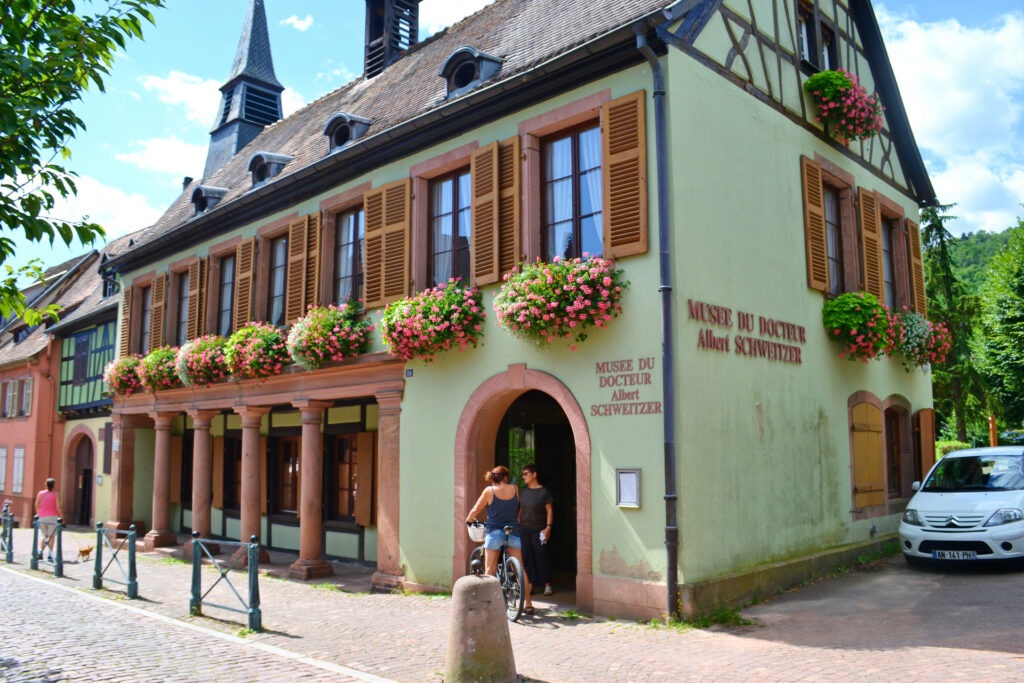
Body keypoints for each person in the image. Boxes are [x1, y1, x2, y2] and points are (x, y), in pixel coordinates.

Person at [466, 465, 534, 614]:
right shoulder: (515, 488)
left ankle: (490, 606)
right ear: (505, 477)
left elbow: (477, 509)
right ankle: (528, 604)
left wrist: (469, 519)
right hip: (513, 531)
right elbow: (519, 507)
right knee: (520, 569)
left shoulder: (489, 491)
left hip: (494, 532)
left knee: (490, 569)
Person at [519, 464, 554, 597]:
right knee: (526, 556)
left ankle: (547, 584)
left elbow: (549, 510)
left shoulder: (543, 492)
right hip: (524, 528)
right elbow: (521, 509)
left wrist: (548, 527)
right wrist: (518, 522)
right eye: (523, 474)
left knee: (541, 556)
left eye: (526, 474)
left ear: (534, 475)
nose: (524, 477)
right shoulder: (523, 491)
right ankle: (530, 584)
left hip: (539, 529)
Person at [35, 477, 63, 562]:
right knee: (52, 536)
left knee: (44, 535)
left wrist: (38, 514)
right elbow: (58, 506)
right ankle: (50, 554)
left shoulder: (40, 493)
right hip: (53, 517)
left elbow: (36, 504)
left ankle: (40, 552)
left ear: (46, 485)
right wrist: (61, 516)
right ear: (54, 485)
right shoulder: (56, 494)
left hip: (42, 516)